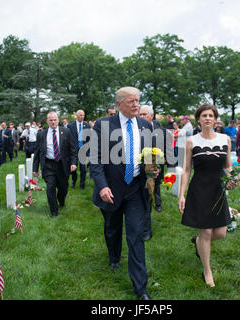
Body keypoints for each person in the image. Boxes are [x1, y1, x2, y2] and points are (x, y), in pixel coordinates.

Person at [90, 86, 157, 300]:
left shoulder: (146, 125)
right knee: (112, 228)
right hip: (111, 188)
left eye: (137, 101)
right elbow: (95, 158)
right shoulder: (103, 125)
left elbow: (151, 156)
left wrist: (154, 168)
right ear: (119, 104)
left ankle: (140, 288)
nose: (136, 105)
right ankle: (113, 256)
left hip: (136, 190)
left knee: (136, 235)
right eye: (131, 101)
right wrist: (102, 186)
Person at [178, 104, 238, 288]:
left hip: (217, 190)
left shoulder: (225, 139)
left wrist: (233, 178)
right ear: (198, 119)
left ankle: (198, 243)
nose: (207, 118)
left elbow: (227, 166)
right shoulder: (192, 142)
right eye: (204, 115)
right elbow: (187, 170)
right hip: (199, 189)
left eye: (211, 115)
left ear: (215, 118)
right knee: (205, 231)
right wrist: (182, 195)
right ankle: (207, 271)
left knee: (220, 233)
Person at [32, 112, 77, 217]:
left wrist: (74, 163)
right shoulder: (41, 134)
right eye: (51, 120)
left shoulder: (66, 132)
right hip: (48, 165)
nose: (53, 122)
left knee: (63, 188)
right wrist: (35, 169)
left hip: (62, 165)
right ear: (47, 121)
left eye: (55, 120)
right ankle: (54, 211)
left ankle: (61, 201)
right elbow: (37, 152)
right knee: (50, 187)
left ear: (58, 120)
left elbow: (73, 150)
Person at [139, 105, 165, 241]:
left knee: (149, 197)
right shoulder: (137, 129)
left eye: (144, 114)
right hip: (138, 169)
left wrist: (157, 167)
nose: (141, 117)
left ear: (151, 115)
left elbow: (163, 151)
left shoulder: (159, 131)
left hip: (153, 168)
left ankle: (146, 230)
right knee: (143, 200)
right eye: (140, 114)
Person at [68, 109, 91, 189]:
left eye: (83, 115)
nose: (82, 117)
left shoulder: (87, 125)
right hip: (73, 151)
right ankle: (74, 181)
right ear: (77, 116)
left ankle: (82, 184)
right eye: (81, 115)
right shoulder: (70, 126)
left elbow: (89, 139)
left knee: (83, 169)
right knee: (73, 168)